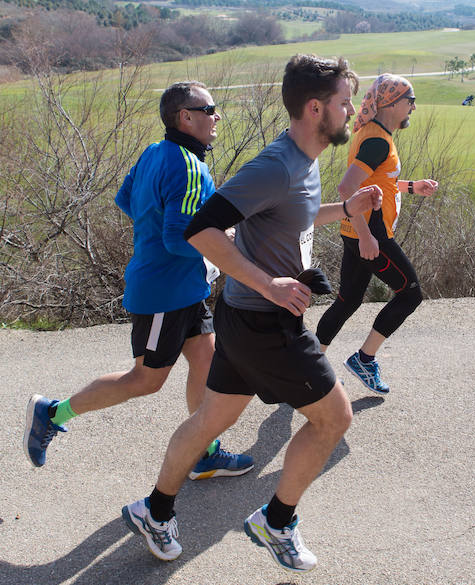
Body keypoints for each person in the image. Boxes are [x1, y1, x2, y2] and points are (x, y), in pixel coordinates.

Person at [120, 54, 382, 573]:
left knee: (210, 419)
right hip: (265, 322)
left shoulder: (304, 163)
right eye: (344, 103)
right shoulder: (276, 165)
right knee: (334, 418)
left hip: (243, 318)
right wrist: (269, 283)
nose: (352, 112)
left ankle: (154, 510)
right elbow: (200, 228)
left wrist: (347, 210)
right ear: (315, 108)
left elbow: (294, 216)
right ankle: (277, 521)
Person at [23, 81, 253, 480]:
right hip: (165, 292)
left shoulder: (154, 152)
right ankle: (52, 413)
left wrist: (155, 233)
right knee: (145, 380)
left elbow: (126, 199)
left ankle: (203, 452)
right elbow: (180, 238)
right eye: (210, 109)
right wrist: (222, 240)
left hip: (184, 288)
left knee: (206, 362)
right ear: (185, 117)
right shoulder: (189, 166)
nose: (217, 117)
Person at [316, 74, 437, 395]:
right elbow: (347, 188)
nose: (413, 107)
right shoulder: (377, 141)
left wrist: (412, 186)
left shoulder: (375, 135)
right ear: (391, 103)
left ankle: (308, 367)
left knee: (348, 300)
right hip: (371, 234)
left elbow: (377, 181)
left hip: (356, 232)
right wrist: (367, 237)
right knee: (410, 294)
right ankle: (364, 359)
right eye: (410, 100)